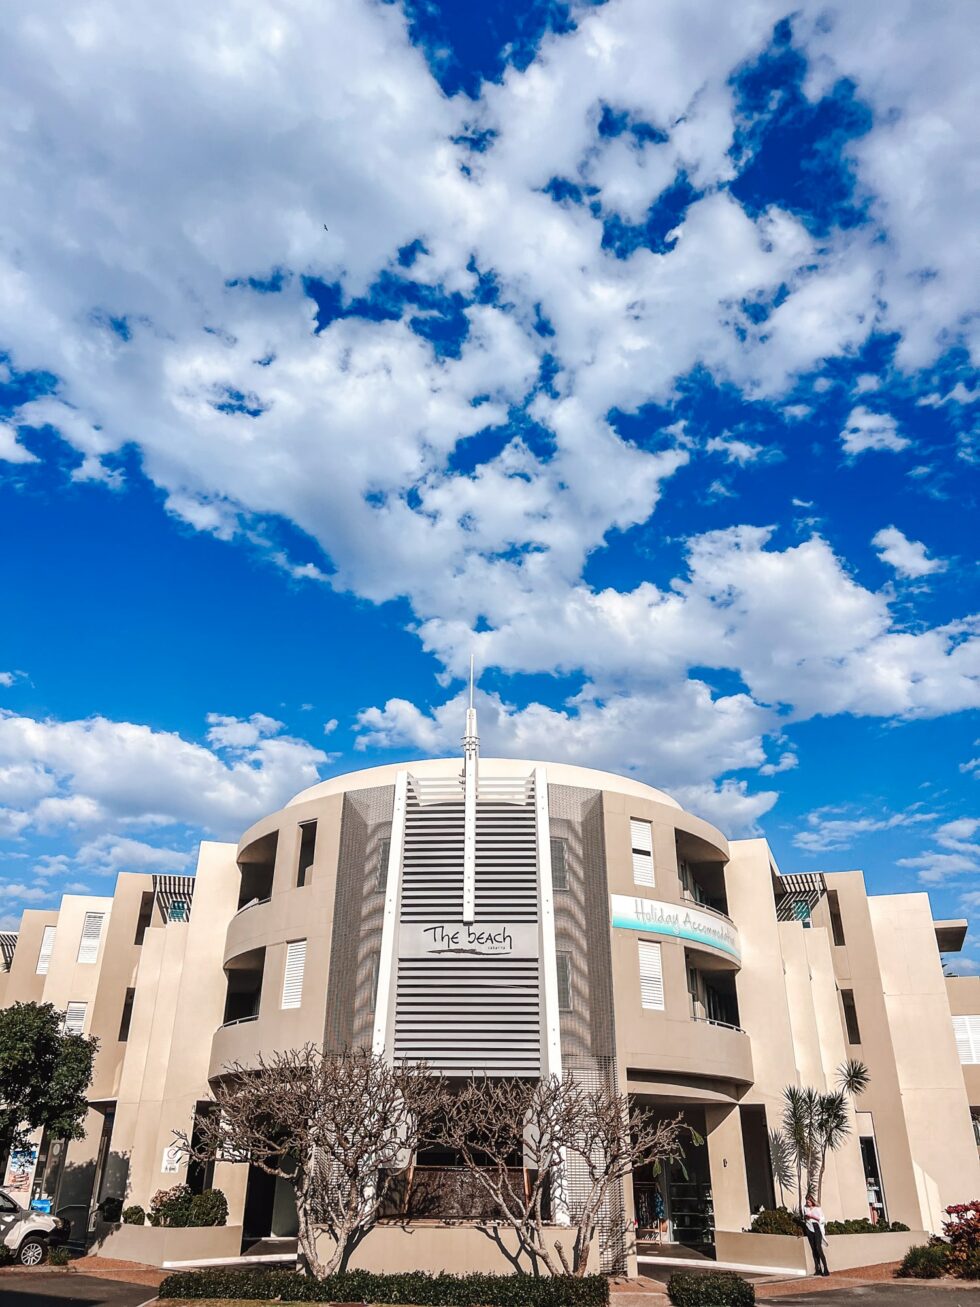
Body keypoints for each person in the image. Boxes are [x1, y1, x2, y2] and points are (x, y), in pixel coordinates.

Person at [803, 1193, 830, 1277]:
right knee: (813, 1249)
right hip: (809, 1228)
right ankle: (817, 1269)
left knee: (818, 1248)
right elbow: (805, 1218)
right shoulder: (805, 1208)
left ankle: (825, 1268)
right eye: (807, 1202)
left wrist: (813, 1217)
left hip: (816, 1227)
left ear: (812, 1201)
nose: (808, 1203)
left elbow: (822, 1219)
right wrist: (806, 1217)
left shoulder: (818, 1209)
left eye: (809, 1202)